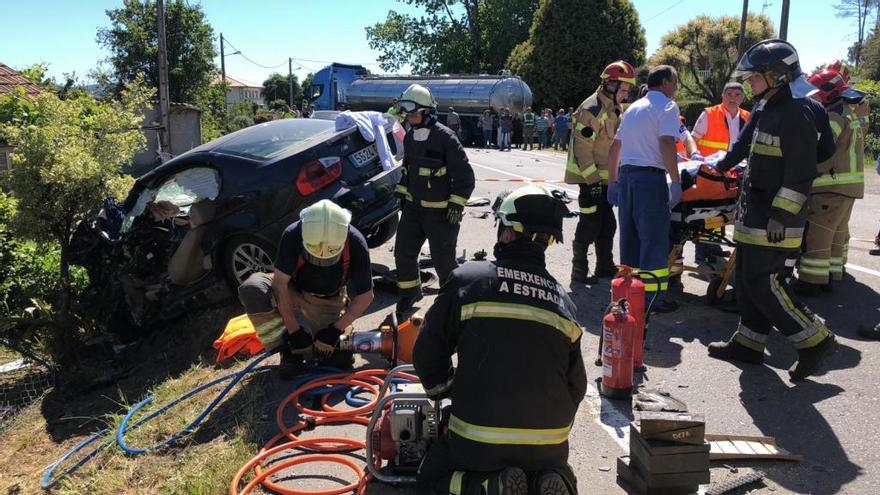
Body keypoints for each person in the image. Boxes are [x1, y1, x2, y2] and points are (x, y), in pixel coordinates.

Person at [414, 184, 585, 495]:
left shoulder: (470, 280)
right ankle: (547, 478)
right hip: (548, 445)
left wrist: (443, 391)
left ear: (508, 233)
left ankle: (490, 486)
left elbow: (427, 352)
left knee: (429, 479)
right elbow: (577, 386)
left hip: (479, 443)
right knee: (547, 464)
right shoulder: (564, 302)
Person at [706, 39, 837, 381]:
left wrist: (781, 214)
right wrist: (721, 164)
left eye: (755, 77)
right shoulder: (767, 105)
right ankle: (749, 344)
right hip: (756, 212)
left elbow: (802, 171)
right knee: (747, 280)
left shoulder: (796, 113)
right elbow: (743, 144)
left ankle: (815, 340)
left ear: (777, 76)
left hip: (777, 219)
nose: (749, 84)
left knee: (766, 282)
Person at [237, 200, 374, 378]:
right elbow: (280, 284)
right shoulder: (293, 234)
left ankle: (317, 345)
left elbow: (366, 295)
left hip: (328, 298)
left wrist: (336, 329)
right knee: (253, 289)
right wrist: (294, 331)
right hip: (293, 288)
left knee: (338, 361)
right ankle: (287, 350)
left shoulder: (355, 241)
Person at [607, 65, 683, 313]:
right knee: (653, 240)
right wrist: (676, 182)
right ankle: (652, 299)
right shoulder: (667, 106)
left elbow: (615, 148)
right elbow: (666, 143)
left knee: (629, 239)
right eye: (676, 81)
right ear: (665, 82)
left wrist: (612, 181)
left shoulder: (633, 109)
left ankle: (627, 294)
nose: (677, 87)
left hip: (627, 176)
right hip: (650, 179)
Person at [394, 84, 475, 314]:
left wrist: (456, 204)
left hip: (440, 215)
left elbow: (466, 177)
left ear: (427, 112)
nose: (409, 117)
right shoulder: (409, 137)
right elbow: (408, 170)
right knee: (403, 253)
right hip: (413, 211)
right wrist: (401, 193)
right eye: (407, 113)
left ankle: (451, 301)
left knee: (444, 261)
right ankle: (410, 294)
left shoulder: (446, 138)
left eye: (413, 113)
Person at [794, 68, 866, 295]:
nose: (813, 98)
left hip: (830, 186)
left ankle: (810, 282)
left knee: (818, 236)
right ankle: (830, 277)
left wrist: (804, 169)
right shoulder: (848, 112)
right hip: (847, 187)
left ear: (827, 92)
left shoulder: (833, 115)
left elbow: (825, 149)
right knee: (834, 236)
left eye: (816, 93)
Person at [565, 60, 635, 284]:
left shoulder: (613, 108)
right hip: (589, 179)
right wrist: (592, 180)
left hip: (605, 180)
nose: (625, 95)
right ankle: (579, 271)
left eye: (627, 91)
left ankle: (604, 266)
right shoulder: (592, 109)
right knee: (589, 223)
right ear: (610, 85)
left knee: (607, 224)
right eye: (623, 90)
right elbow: (582, 148)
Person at [691, 82, 750, 158]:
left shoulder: (748, 117)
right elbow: (693, 140)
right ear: (723, 96)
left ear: (742, 98)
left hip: (736, 167)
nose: (732, 98)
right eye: (729, 94)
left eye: (737, 95)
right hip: (708, 166)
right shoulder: (709, 114)